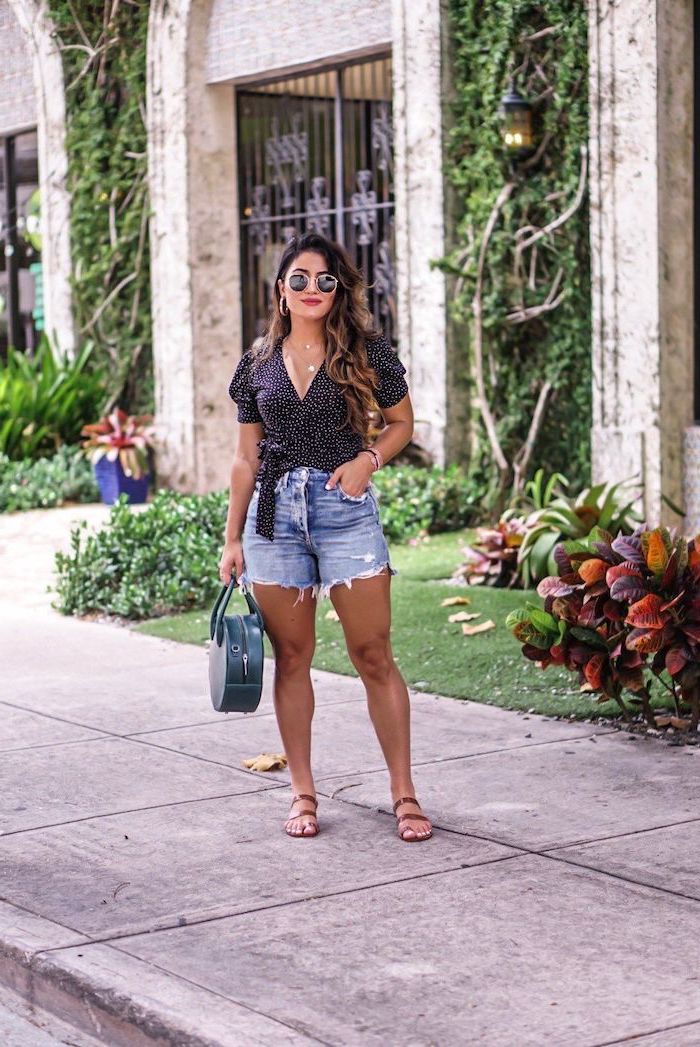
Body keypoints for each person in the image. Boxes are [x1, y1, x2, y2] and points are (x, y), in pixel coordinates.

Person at [219, 232, 433, 843]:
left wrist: (369, 458)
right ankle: (303, 792)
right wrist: (232, 539)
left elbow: (401, 424)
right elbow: (245, 458)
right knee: (292, 658)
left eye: (325, 280)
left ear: (339, 291)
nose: (313, 289)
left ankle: (404, 794)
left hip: (345, 512)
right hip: (273, 521)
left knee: (373, 655)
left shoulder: (367, 350)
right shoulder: (256, 361)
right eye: (300, 279)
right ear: (280, 291)